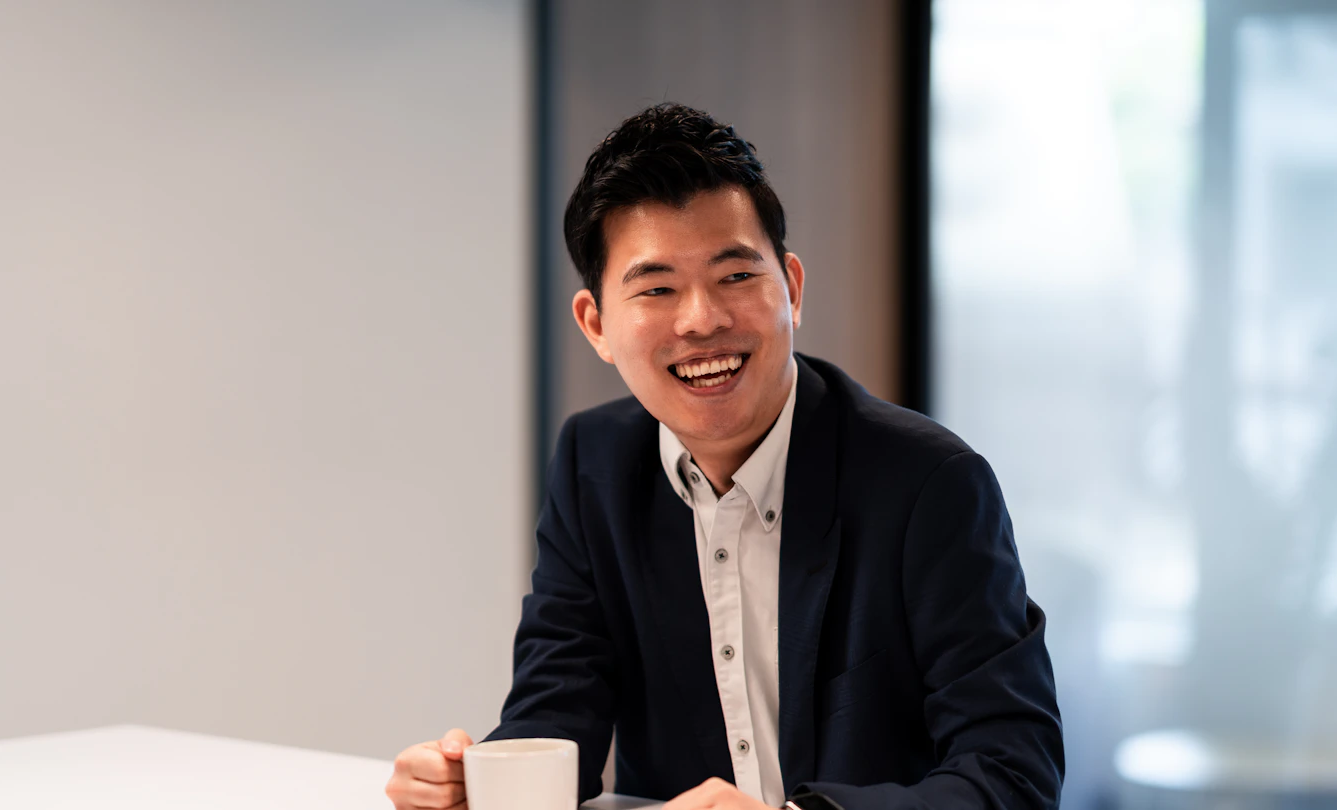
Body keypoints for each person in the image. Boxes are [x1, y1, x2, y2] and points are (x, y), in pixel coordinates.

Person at [385, 103, 1063, 810]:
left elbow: (1013, 773)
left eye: (735, 277)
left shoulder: (930, 485)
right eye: (657, 289)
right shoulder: (595, 463)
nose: (702, 319)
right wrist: (476, 782)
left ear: (791, 289)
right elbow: (558, 709)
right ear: (596, 325)